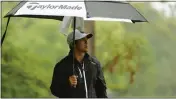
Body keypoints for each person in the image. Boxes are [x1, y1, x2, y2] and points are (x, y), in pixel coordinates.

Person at [50, 29, 108, 98]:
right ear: (74, 44)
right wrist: (67, 83)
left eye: (86, 39)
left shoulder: (94, 63)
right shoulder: (61, 66)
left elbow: (101, 89)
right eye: (82, 39)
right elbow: (54, 90)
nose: (86, 42)